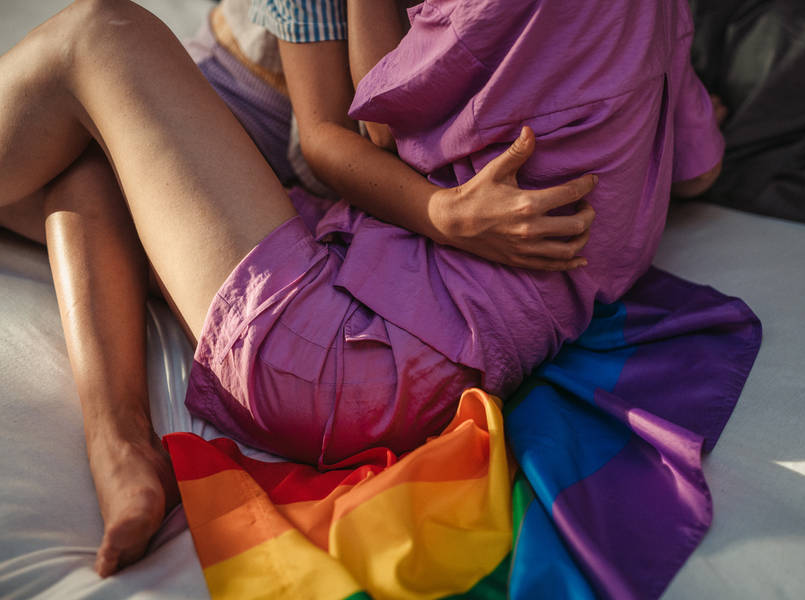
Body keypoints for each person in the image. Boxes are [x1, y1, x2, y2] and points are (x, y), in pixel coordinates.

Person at [0, 0, 722, 579]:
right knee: (89, 169)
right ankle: (120, 440)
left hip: (354, 349)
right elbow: (697, 172)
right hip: (425, 341)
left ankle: (115, 439)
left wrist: (444, 210)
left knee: (99, 31)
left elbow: (378, 118)